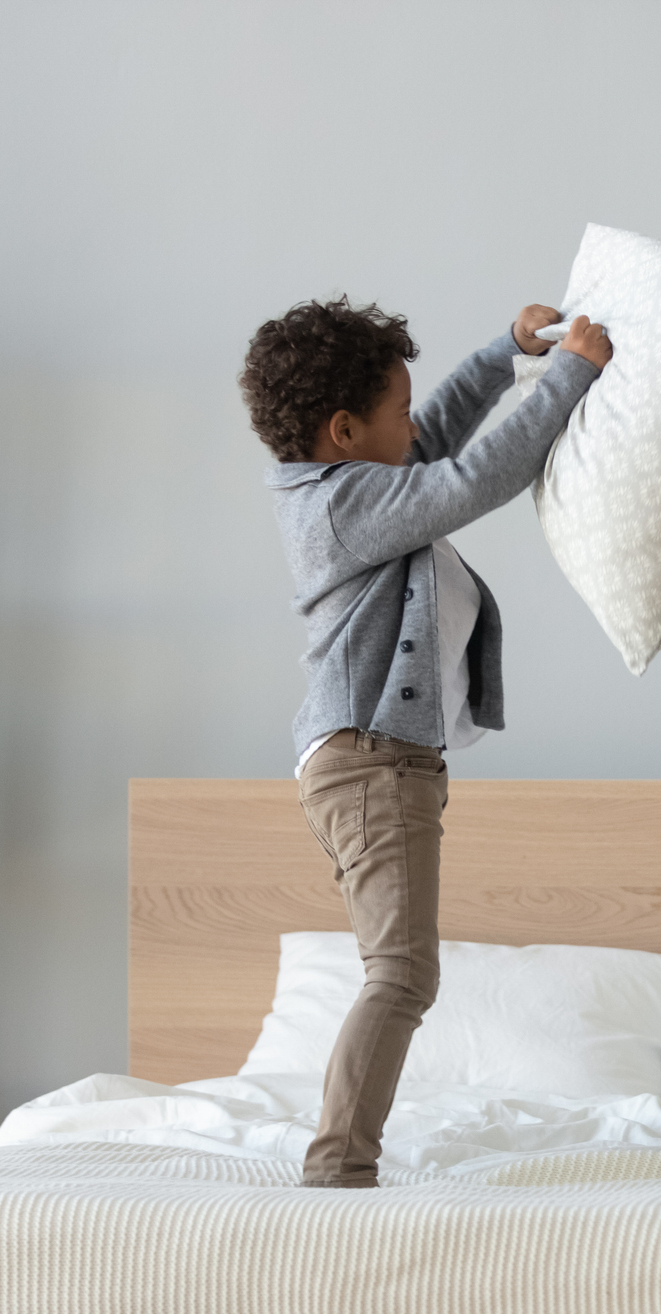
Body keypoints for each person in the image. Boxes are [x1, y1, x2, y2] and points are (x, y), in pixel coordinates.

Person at [243, 297, 612, 1188]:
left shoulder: (353, 482)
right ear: (343, 432)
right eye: (395, 412)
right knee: (401, 974)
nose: (414, 424)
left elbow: (438, 437)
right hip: (368, 761)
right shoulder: (342, 506)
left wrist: (506, 354)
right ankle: (338, 1172)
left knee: (399, 971)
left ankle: (341, 1162)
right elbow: (473, 476)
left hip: (377, 760)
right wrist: (570, 374)